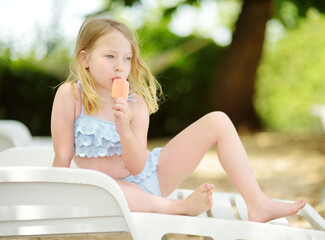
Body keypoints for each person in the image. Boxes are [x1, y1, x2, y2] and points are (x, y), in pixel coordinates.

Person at [51, 15, 306, 222]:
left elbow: (138, 166)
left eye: (127, 58)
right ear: (85, 59)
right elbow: (62, 157)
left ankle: (258, 203)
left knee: (218, 120)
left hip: (151, 176)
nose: (120, 66)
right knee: (110, 189)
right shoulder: (70, 96)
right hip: (111, 191)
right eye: (110, 56)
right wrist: (53, 200)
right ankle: (177, 207)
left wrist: (124, 130)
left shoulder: (135, 105)